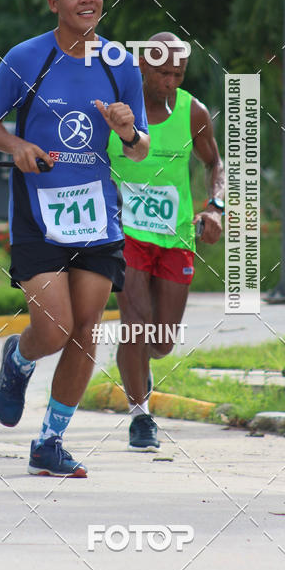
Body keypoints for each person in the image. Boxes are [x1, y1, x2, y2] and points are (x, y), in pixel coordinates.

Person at [0, 0, 149, 477]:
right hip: (37, 210)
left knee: (86, 329)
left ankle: (49, 441)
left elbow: (139, 148)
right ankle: (19, 360)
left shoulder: (120, 65)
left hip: (96, 215)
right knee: (53, 328)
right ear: (54, 2)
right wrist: (18, 145)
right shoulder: (26, 59)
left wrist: (125, 130)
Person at [107, 32, 224, 451]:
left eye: (178, 74)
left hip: (174, 235)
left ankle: (143, 371)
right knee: (135, 328)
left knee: (162, 341)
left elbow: (215, 163)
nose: (170, 81)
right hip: (126, 235)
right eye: (162, 73)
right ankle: (141, 416)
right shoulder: (115, 110)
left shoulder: (192, 112)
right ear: (141, 66)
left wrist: (215, 207)